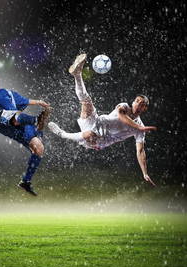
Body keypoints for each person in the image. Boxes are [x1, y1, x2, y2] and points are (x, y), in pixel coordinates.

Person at [48, 54, 157, 186]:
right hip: (97, 121)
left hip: (101, 140)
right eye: (137, 101)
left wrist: (145, 173)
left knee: (90, 134)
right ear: (133, 102)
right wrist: (139, 127)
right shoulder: (124, 107)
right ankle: (77, 74)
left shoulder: (141, 128)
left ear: (144, 108)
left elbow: (140, 151)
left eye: (142, 104)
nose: (138, 105)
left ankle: (62, 134)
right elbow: (122, 116)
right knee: (86, 101)